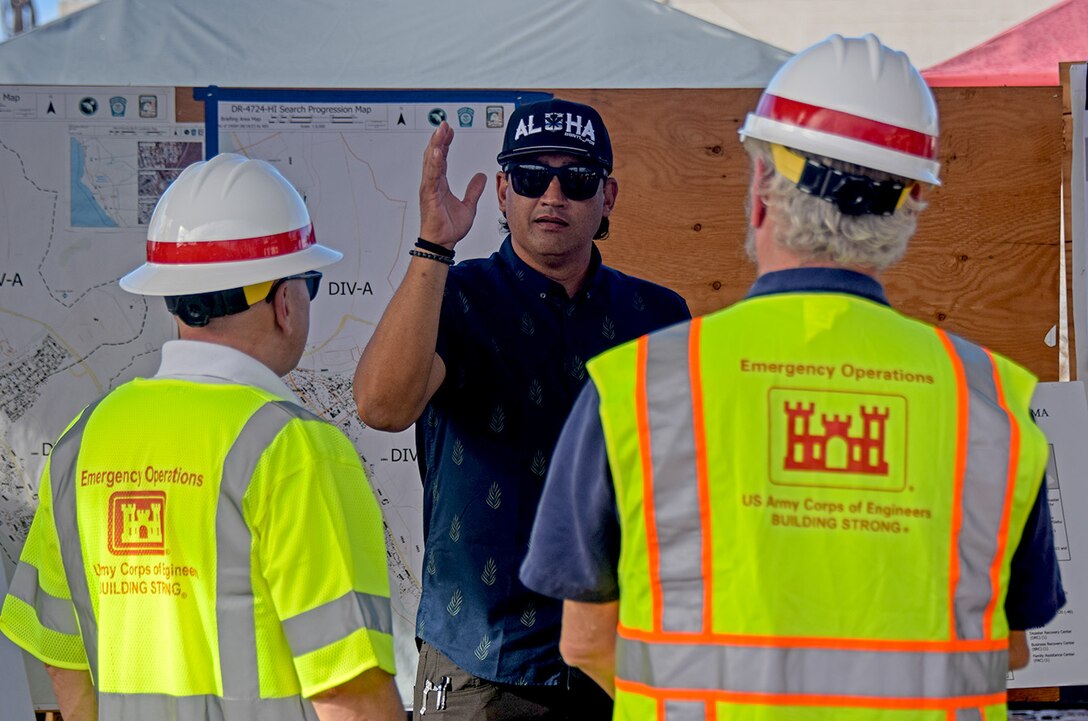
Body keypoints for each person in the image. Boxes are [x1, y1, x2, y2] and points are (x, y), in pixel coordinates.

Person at [520, 34, 1066, 720]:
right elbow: (1009, 646)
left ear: (759, 191)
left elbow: (587, 639)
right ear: (908, 208)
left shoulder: (640, 387)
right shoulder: (991, 403)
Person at [0, 153, 404, 721]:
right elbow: (349, 696)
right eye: (307, 280)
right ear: (285, 302)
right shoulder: (297, 449)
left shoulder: (83, 440)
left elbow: (62, 659)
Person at [353, 99, 690, 719]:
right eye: (533, 176)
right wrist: (434, 244)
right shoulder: (456, 297)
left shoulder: (657, 317)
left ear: (607, 196)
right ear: (504, 190)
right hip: (479, 663)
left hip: (619, 661)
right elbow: (380, 406)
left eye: (577, 179)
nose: (553, 194)